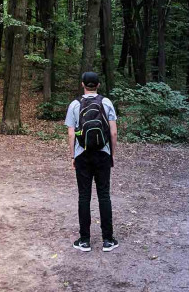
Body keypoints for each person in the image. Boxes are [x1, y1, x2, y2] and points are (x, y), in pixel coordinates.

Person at [65, 72, 118, 252]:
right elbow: (113, 133)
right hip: (103, 154)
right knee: (104, 195)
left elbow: (71, 134)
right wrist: (112, 154)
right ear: (98, 84)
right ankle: (108, 240)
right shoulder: (106, 102)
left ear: (83, 85)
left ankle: (85, 240)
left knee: (84, 196)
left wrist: (73, 156)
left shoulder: (74, 104)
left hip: (82, 155)